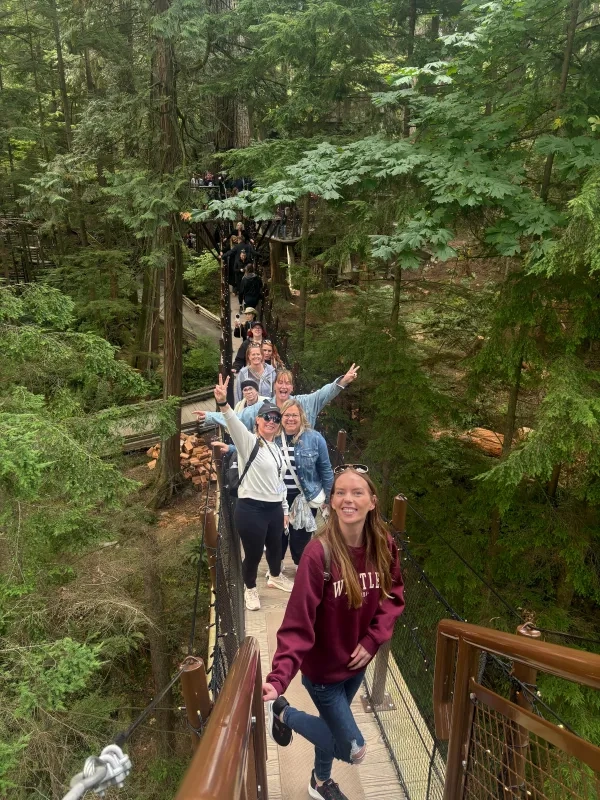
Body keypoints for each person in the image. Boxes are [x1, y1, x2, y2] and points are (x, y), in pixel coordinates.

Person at [262, 467, 405, 800]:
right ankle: (284, 712)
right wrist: (279, 677)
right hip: (324, 674)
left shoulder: (383, 545)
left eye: (357, 492)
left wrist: (372, 639)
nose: (348, 499)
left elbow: (393, 595)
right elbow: (298, 622)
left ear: (372, 501)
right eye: (340, 492)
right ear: (332, 502)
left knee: (330, 725)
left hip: (357, 664)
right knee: (353, 748)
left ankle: (320, 780)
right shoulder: (319, 555)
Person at [211, 376, 293, 611]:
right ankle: (250, 589)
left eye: (275, 418)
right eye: (267, 417)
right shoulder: (248, 442)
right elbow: (234, 424)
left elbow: (279, 481)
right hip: (251, 509)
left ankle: (275, 576)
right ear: (258, 420)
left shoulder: (276, 448)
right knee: (254, 553)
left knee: (276, 548)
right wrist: (223, 403)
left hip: (274, 508)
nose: (271, 421)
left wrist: (284, 509)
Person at [194, 364, 360, 431]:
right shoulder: (262, 407)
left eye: (287, 383)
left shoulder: (305, 402)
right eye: (280, 382)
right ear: (274, 386)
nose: (283, 386)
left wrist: (344, 381)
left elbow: (324, 393)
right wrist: (210, 416)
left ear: (292, 387)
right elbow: (238, 418)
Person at [273, 400, 333, 573]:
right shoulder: (272, 437)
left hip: (304, 497)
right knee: (277, 534)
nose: (290, 419)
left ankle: (301, 567)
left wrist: (329, 498)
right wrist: (230, 449)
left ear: (301, 417)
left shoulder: (315, 438)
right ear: (281, 417)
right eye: (287, 415)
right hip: (278, 496)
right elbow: (250, 448)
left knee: (300, 537)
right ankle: (276, 566)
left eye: (294, 415)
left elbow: (325, 469)